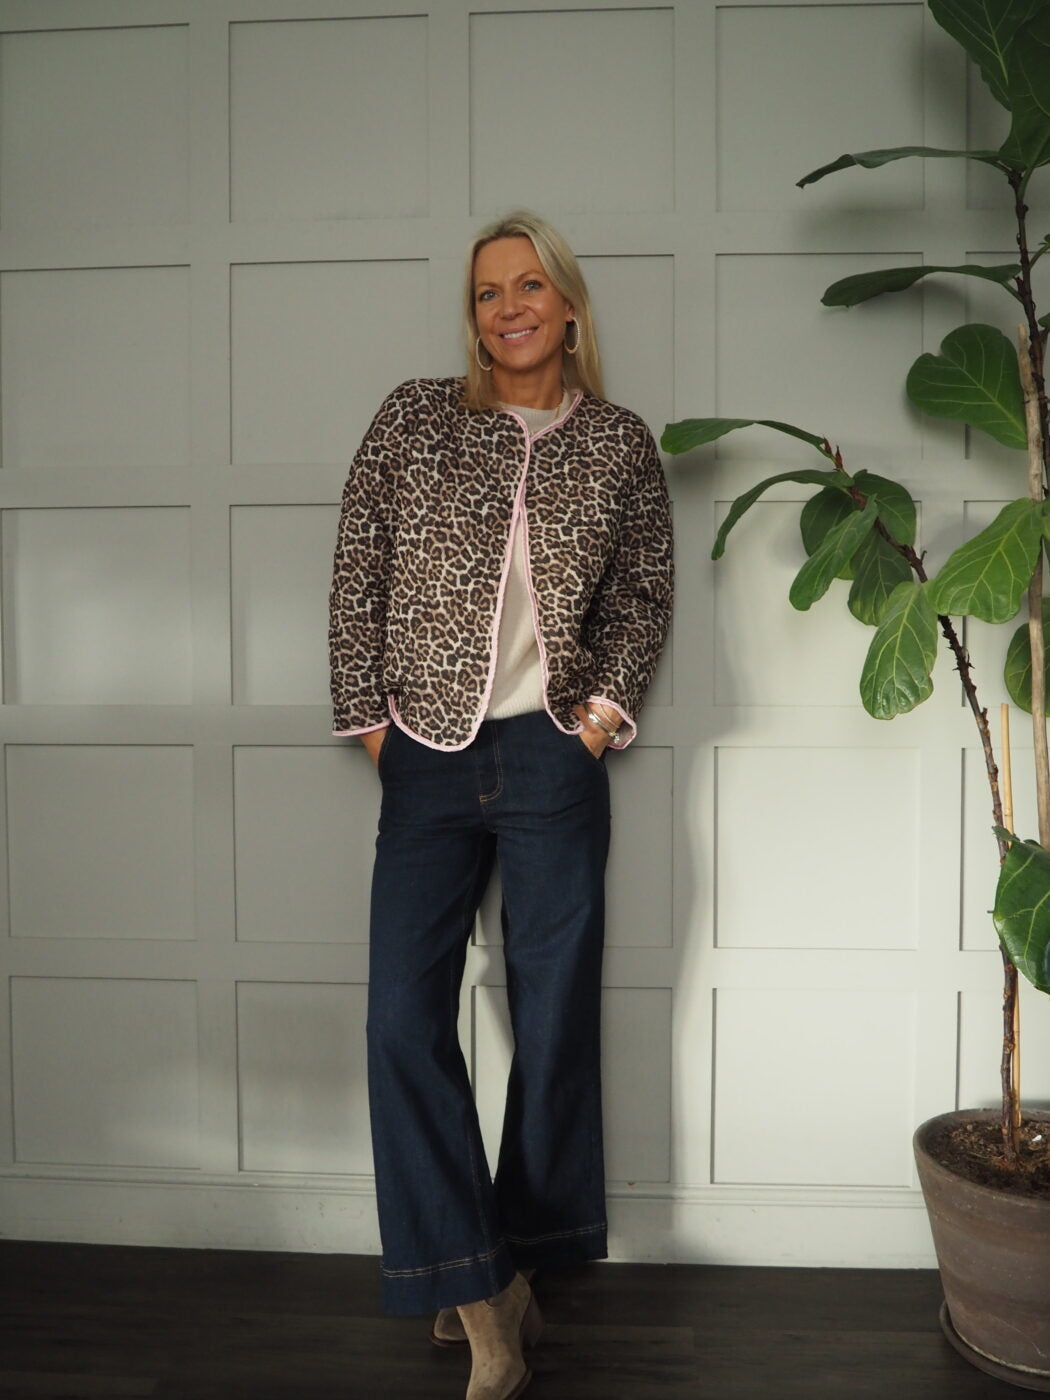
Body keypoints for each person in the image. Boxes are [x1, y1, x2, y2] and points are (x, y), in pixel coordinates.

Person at [329, 210, 674, 1400]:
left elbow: (642, 594)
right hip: (425, 753)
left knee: (554, 1014)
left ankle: (515, 1263)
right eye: (488, 292)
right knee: (400, 1019)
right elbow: (358, 567)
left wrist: (598, 719)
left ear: (568, 307)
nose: (508, 307)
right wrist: (373, 724)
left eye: (530, 286)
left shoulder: (618, 441)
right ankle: (474, 1286)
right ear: (472, 316)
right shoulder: (415, 418)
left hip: (552, 757)